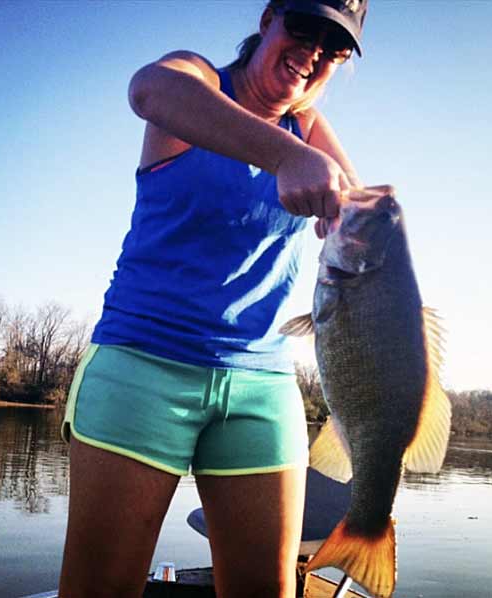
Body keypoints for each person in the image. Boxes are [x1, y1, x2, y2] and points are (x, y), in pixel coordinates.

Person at [58, 1, 368, 596]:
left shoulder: (308, 129)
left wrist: (373, 217)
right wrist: (285, 156)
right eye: (302, 29)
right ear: (269, 19)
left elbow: (355, 208)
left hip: (261, 386)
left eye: (334, 47)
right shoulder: (199, 80)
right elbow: (149, 90)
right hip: (142, 366)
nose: (313, 53)